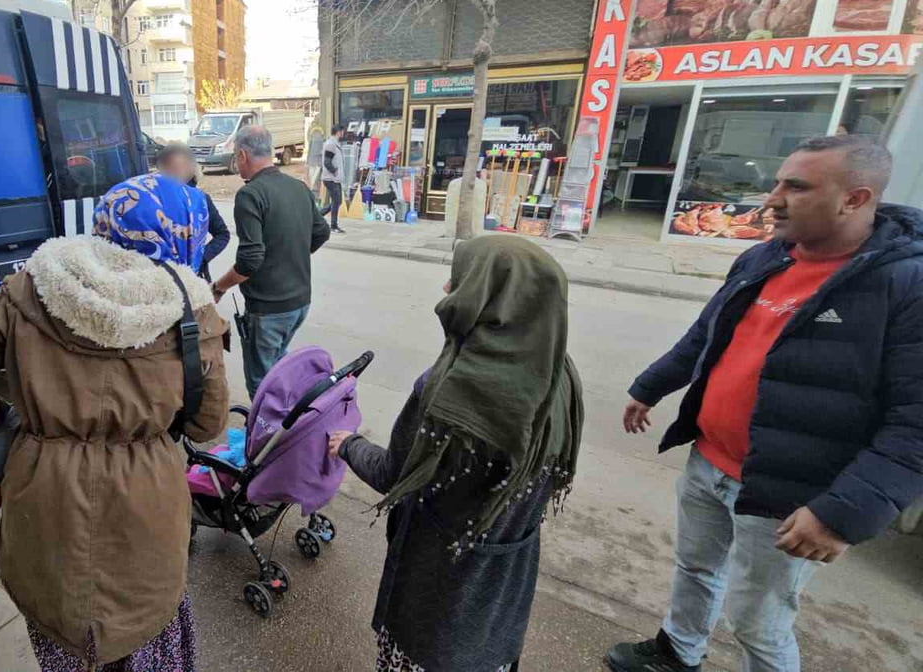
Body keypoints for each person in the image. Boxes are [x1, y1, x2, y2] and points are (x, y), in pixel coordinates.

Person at [607, 136, 923, 672]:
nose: (772, 199)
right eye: (777, 183)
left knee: (758, 621)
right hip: (708, 462)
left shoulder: (905, 284)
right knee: (695, 569)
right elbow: (707, 336)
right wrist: (650, 386)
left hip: (786, 492)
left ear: (854, 199)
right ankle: (678, 652)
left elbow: (914, 425)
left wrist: (840, 515)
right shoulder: (764, 257)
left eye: (795, 187)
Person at [0, 173, 229, 672]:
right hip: (146, 501)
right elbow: (206, 425)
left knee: (59, 629)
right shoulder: (193, 313)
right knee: (147, 627)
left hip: (42, 495)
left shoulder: (32, 287)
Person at [329, 235, 585, 672]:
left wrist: (348, 444)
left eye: (460, 281)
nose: (447, 290)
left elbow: (394, 475)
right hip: (505, 591)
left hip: (436, 592)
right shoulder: (560, 377)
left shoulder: (448, 390)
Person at [213, 125, 331, 399]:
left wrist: (219, 287)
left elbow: (250, 260)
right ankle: (289, 415)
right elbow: (321, 232)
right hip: (300, 302)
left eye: (235, 155)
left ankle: (271, 426)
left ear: (243, 155)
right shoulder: (298, 187)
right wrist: (289, 255)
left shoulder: (250, 194)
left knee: (262, 385)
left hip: (269, 309)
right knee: (278, 368)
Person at [156, 142, 230, 282]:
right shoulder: (154, 198)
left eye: (178, 167)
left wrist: (201, 257)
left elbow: (222, 234)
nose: (174, 171)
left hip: (193, 278)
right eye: (170, 167)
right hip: (162, 276)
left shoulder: (201, 200)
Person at [320, 124, 346, 233]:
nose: (343, 133)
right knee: (336, 201)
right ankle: (333, 226)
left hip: (335, 178)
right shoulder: (331, 144)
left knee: (338, 201)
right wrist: (335, 171)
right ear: (338, 132)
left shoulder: (335, 144)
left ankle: (317, 216)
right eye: (342, 131)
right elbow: (327, 162)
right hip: (331, 179)